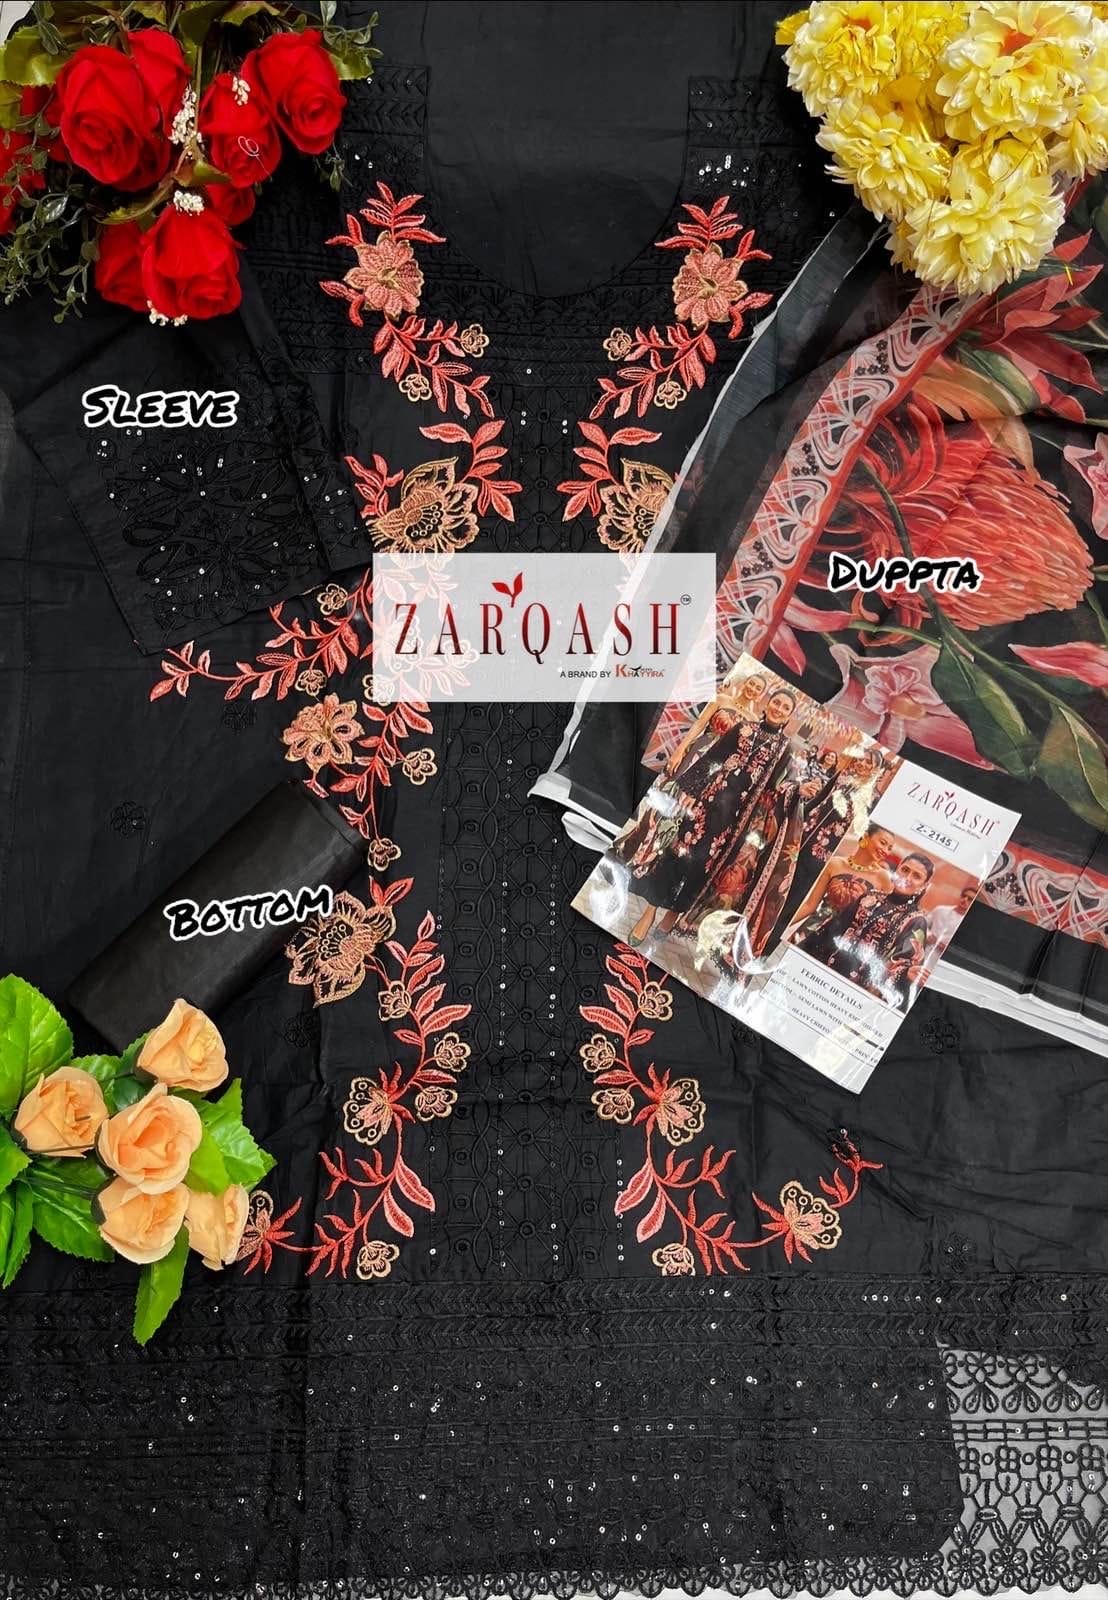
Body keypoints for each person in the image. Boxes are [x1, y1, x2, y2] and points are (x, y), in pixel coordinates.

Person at [627, 688, 798, 945]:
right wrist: (691, 790)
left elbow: (776, 788)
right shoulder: (743, 728)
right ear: (767, 703)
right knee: (677, 852)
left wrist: (797, 791)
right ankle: (649, 912)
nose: (779, 709)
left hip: (735, 820)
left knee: (702, 868)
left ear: (789, 717)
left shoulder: (784, 749)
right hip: (706, 802)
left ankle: (673, 914)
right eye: (777, 702)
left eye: (786, 707)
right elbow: (713, 757)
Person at [797, 852, 936, 1011]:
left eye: (916, 876)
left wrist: (905, 974)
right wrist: (801, 951)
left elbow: (904, 963)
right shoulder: (870, 896)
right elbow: (832, 929)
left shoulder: (916, 920)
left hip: (855, 994)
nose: (907, 877)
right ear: (897, 870)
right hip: (825, 971)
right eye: (905, 870)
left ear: (923, 886)